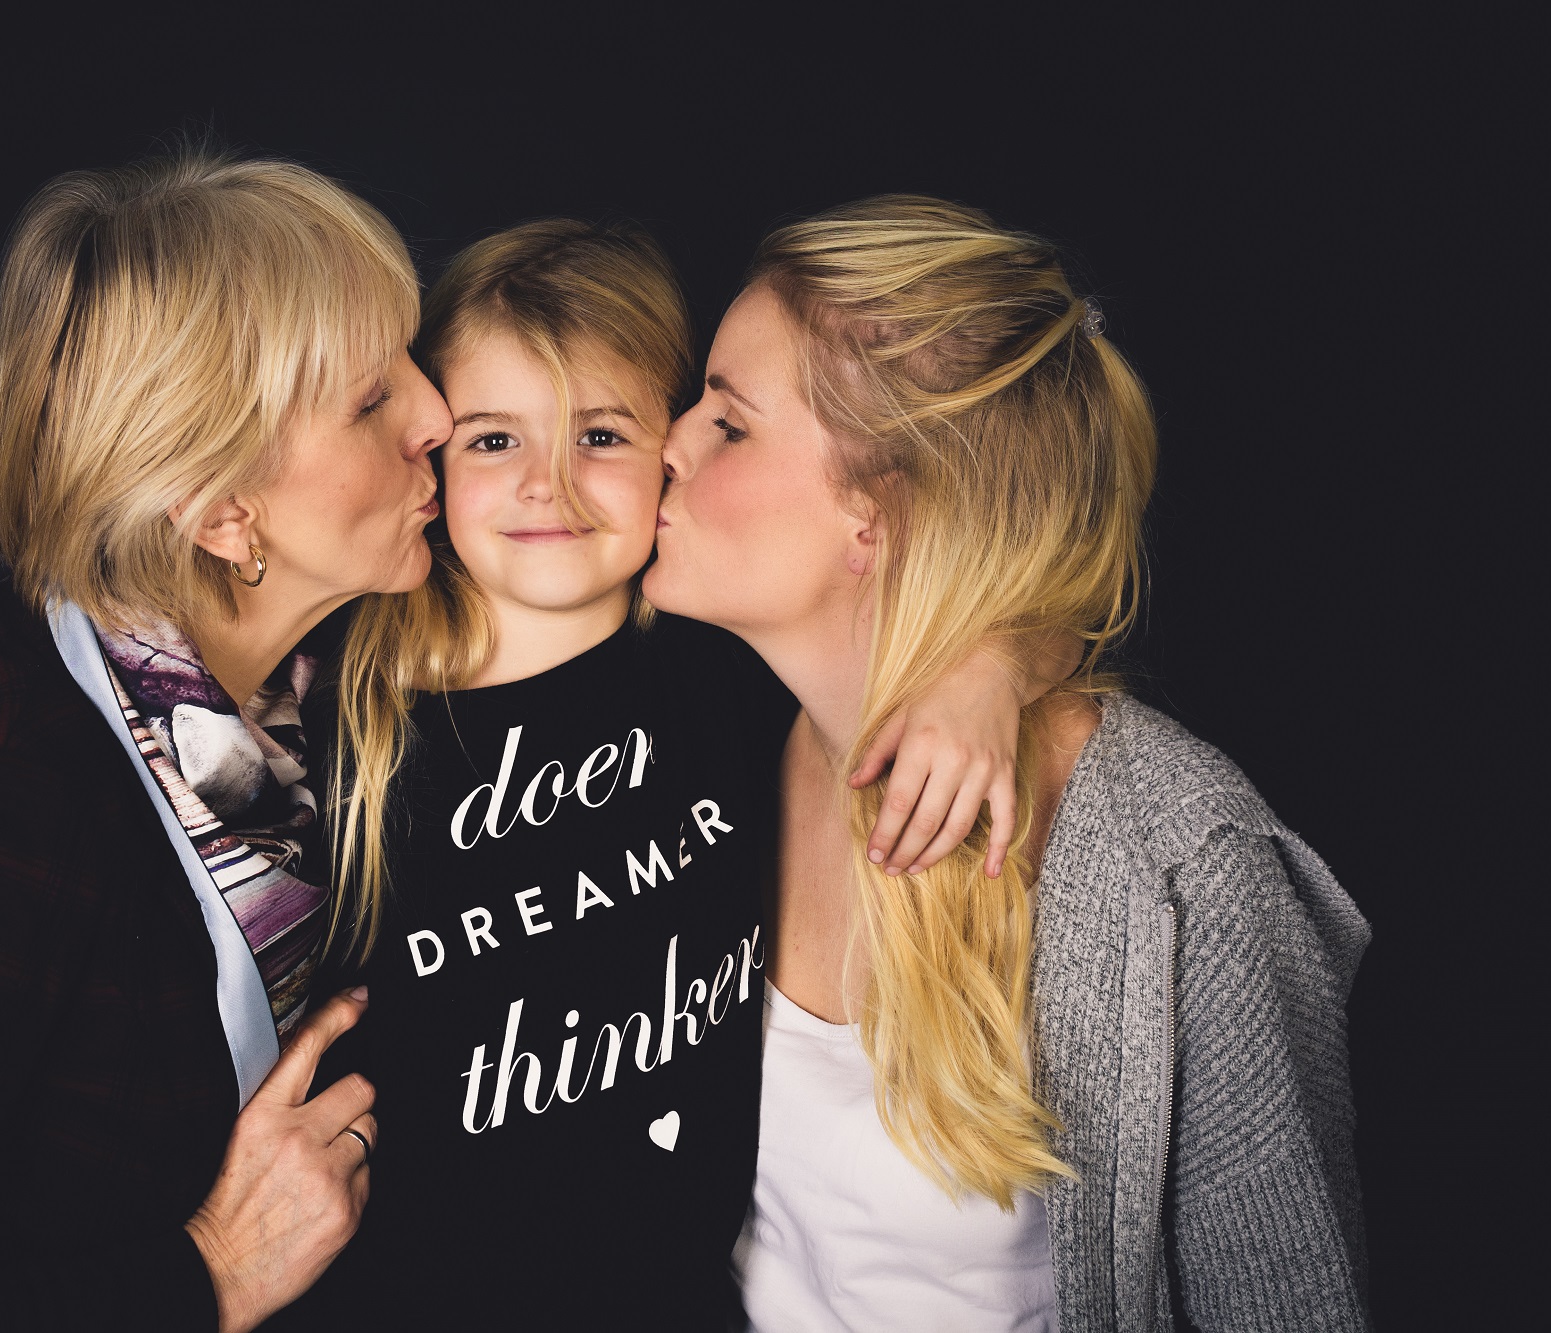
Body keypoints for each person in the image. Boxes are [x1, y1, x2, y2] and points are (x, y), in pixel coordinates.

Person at [279, 220, 1048, 1330]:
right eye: (493, 441)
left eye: (600, 434)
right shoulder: (351, 700)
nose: (546, 484)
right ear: (432, 457)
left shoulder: (725, 665)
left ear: (673, 451)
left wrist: (989, 666)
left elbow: (1015, 574)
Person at [0, 150, 449, 1332]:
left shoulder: (296, 667)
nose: (436, 415)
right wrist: (211, 1273)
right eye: (372, 401)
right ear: (223, 512)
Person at [646, 197, 1370, 1332]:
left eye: (728, 423)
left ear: (878, 515)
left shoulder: (1175, 860)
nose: (668, 442)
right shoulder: (724, 737)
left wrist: (1000, 661)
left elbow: (1285, 1303)